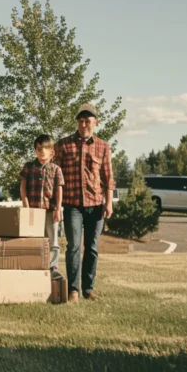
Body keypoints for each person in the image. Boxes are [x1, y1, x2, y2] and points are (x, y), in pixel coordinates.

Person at [54, 103, 115, 302]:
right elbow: (55, 176)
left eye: (87, 121)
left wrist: (109, 203)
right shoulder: (63, 145)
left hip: (96, 205)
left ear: (95, 123)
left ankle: (88, 289)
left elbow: (108, 177)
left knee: (92, 248)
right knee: (73, 247)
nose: (83, 125)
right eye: (80, 121)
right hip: (72, 205)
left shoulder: (103, 146)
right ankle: (73, 290)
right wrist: (56, 204)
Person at [19, 134, 64, 274]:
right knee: (34, 239)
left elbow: (58, 190)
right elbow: (23, 188)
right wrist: (26, 208)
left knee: (53, 240)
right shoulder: (29, 167)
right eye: (38, 148)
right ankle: (36, 266)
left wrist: (58, 209)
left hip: (50, 211)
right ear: (35, 150)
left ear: (52, 151)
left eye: (45, 148)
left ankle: (52, 267)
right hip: (33, 211)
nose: (42, 151)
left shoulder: (56, 169)